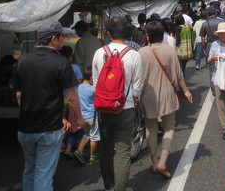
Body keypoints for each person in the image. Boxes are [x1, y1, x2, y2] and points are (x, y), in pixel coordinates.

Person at [12, 21, 84, 191]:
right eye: (62, 36)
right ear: (54, 39)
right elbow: (71, 96)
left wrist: (26, 112)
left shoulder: (23, 60)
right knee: (43, 174)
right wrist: (79, 118)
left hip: (25, 127)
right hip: (49, 127)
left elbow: (19, 94)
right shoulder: (61, 62)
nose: (64, 39)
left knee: (29, 170)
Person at [92, 17, 143, 191]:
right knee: (122, 152)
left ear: (108, 33)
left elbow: (96, 85)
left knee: (106, 148)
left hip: (104, 109)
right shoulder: (134, 55)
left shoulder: (99, 53)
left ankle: (109, 185)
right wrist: (134, 99)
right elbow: (137, 87)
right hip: (125, 108)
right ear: (128, 33)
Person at [139, 21, 193, 179]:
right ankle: (163, 162)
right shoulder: (169, 50)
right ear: (162, 35)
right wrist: (186, 91)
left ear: (148, 36)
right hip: (167, 94)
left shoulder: (141, 52)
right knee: (169, 127)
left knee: (151, 129)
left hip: (148, 95)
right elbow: (178, 74)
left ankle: (154, 163)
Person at [74, 66, 100, 165]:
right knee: (94, 136)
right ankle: (92, 156)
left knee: (87, 134)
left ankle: (79, 151)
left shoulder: (79, 87)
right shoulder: (92, 89)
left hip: (83, 116)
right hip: (92, 116)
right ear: (91, 78)